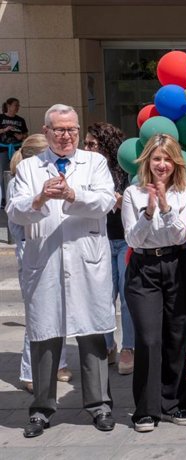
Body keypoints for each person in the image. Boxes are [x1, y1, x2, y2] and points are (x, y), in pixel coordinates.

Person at [7, 104, 116, 438]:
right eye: (59, 129)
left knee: (92, 334)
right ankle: (41, 409)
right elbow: (14, 210)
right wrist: (39, 199)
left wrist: (72, 194)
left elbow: (106, 200)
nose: (66, 135)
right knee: (45, 336)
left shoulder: (95, 162)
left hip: (87, 260)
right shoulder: (28, 168)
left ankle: (99, 404)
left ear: (79, 132)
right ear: (46, 130)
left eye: (71, 129)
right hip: (45, 262)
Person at [121, 134, 186, 432]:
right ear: (147, 162)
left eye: (167, 159)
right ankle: (146, 409)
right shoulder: (132, 193)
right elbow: (132, 238)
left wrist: (165, 206)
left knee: (178, 337)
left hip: (178, 264)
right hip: (144, 267)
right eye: (156, 158)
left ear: (175, 162)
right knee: (150, 338)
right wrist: (149, 210)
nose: (162, 164)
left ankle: (176, 403)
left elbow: (181, 236)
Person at [8, 135, 72, 394]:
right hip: (32, 247)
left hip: (56, 243)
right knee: (38, 312)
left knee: (62, 307)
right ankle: (29, 371)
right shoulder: (20, 181)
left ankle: (59, 362)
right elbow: (17, 222)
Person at [84, 122, 134, 375]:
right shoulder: (85, 170)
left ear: (107, 145)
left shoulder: (125, 170)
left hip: (124, 238)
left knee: (126, 297)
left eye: (92, 144)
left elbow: (138, 201)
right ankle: (106, 345)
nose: (87, 148)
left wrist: (122, 200)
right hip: (99, 238)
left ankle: (128, 347)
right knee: (103, 295)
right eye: (86, 144)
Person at [1, 97, 29, 202]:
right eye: (15, 105)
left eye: (18, 105)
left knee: (18, 171)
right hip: (3, 149)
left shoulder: (20, 120)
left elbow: (26, 134)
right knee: (4, 173)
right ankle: (4, 198)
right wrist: (4, 129)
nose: (17, 107)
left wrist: (21, 136)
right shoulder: (1, 118)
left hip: (17, 149)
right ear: (8, 106)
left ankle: (18, 194)